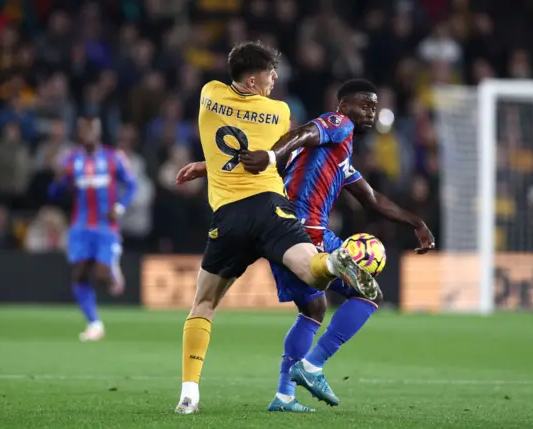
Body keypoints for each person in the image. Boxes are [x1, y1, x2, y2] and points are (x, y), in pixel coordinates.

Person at [176, 79, 436, 412]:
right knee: (370, 293)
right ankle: (312, 366)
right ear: (343, 106)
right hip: (304, 232)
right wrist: (271, 153)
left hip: (280, 228)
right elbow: (301, 133)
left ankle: (284, 395)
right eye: (364, 104)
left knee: (313, 310)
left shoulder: (335, 153)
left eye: (374, 105)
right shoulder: (336, 124)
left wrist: (417, 223)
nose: (371, 111)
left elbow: (372, 199)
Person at [174, 42, 375, 415]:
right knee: (313, 272)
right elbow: (274, 159)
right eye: (270, 73)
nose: (275, 79)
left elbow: (229, 147)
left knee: (202, 304)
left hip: (229, 217)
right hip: (270, 208)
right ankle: (334, 263)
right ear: (253, 80)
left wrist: (208, 166)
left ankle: (189, 395)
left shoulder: (209, 94)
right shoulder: (278, 111)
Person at [49, 115, 137, 341]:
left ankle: (113, 271)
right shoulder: (70, 160)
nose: (88, 133)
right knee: (79, 275)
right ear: (79, 133)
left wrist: (120, 206)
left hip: (106, 226)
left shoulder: (113, 157)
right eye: (84, 129)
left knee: (101, 274)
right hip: (80, 227)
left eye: (92, 128)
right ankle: (94, 323)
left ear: (99, 131)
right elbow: (54, 194)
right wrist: (58, 182)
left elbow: (132, 184)